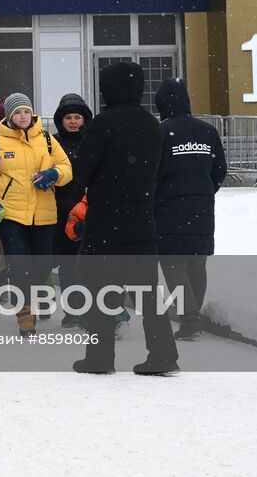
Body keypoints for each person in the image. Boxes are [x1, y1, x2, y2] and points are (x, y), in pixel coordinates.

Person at [71, 61, 178, 376]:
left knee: (100, 291)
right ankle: (163, 354)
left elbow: (81, 172)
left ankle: (100, 358)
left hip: (105, 221)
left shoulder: (103, 124)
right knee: (148, 294)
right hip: (142, 221)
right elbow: (161, 170)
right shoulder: (152, 124)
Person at [0, 92, 72, 334]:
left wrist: (54, 175)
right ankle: (25, 317)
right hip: (11, 215)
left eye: (26, 111)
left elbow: (66, 168)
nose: (23, 116)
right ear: (10, 117)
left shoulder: (47, 140)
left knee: (42, 267)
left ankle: (31, 298)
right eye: (17, 112)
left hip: (44, 214)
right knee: (19, 266)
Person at [153, 78, 226, 341]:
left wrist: (157, 197)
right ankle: (193, 313)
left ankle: (190, 318)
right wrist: (204, 192)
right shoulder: (207, 131)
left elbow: (154, 173)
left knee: (173, 265)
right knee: (196, 264)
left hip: (168, 210)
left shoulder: (160, 132)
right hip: (202, 209)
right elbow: (220, 170)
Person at [51, 93, 93, 327]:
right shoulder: (53, 142)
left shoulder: (94, 140)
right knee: (68, 265)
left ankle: (88, 309)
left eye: (78, 117)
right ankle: (72, 310)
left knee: (87, 263)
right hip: (62, 212)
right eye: (69, 117)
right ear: (61, 120)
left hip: (90, 209)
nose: (74, 121)